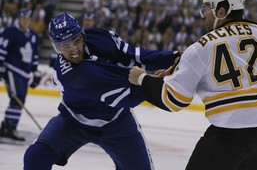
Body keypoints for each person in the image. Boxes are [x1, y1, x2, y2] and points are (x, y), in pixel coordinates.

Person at [128, 0, 257, 170]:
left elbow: (174, 99)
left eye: (207, 9)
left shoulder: (201, 47)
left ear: (222, 11)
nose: (204, 15)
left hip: (230, 134)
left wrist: (141, 78)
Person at [23, 12, 180, 169]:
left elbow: (134, 56)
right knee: (35, 157)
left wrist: (173, 57)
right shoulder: (72, 76)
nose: (74, 50)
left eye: (76, 41)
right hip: (73, 121)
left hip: (117, 121)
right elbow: (128, 97)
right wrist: (154, 82)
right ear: (57, 48)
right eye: (66, 46)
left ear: (82, 36)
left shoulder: (100, 38)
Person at [0, 8, 41, 143]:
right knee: (17, 98)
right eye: (23, 18)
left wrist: (35, 72)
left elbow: (34, 55)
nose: (25, 21)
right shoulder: (10, 32)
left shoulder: (33, 35)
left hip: (25, 73)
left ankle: (7, 126)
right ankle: (10, 128)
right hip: (12, 70)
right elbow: (2, 50)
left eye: (28, 19)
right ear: (19, 19)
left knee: (20, 100)